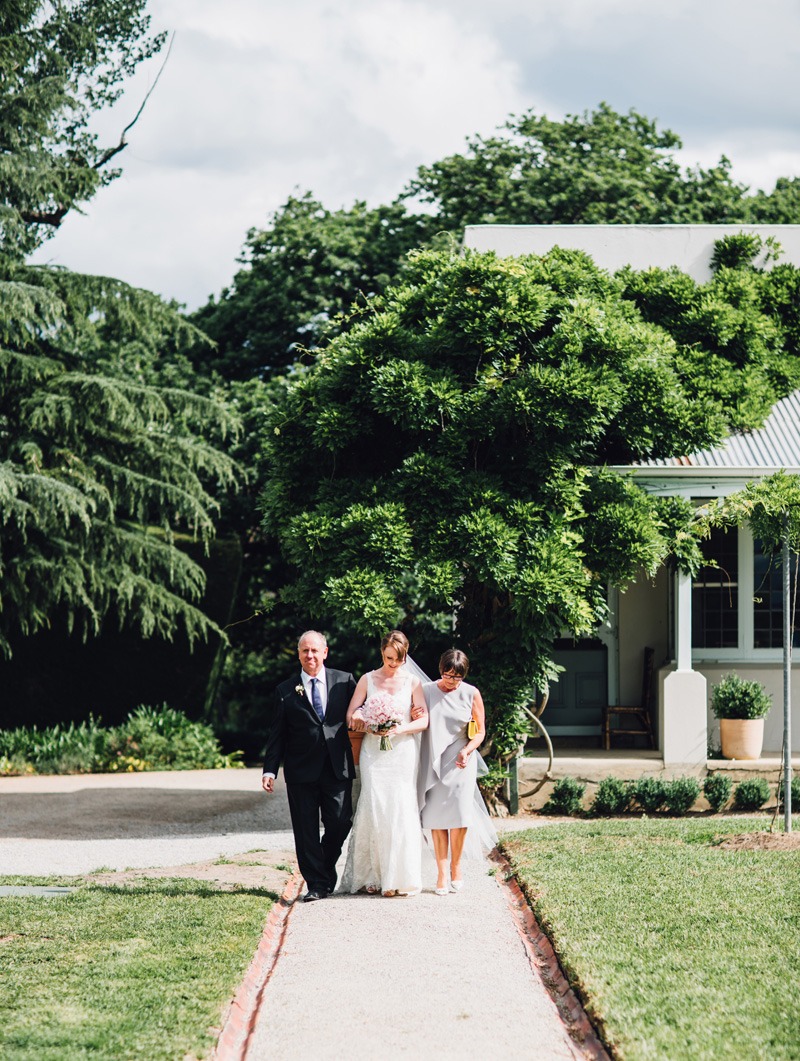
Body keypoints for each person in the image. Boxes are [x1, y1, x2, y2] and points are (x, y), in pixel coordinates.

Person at [262, 630, 356, 903]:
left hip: (337, 766)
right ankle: (316, 883)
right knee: (306, 831)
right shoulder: (285, 690)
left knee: (340, 822)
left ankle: (324, 868)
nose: (310, 655)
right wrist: (270, 770)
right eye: (305, 651)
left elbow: (360, 710)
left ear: (325, 652)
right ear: (299, 654)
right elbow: (276, 734)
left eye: (315, 650)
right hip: (301, 770)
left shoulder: (344, 681)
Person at [340, 630, 429, 897]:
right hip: (373, 753)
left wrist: (398, 729)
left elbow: (423, 720)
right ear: (382, 652)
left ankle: (398, 876)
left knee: (400, 807)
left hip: (401, 752)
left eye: (398, 660)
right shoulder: (368, 680)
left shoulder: (412, 682)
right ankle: (371, 876)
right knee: (373, 803)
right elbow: (351, 714)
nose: (393, 664)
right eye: (389, 658)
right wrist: (369, 722)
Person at [417, 648, 497, 895]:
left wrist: (468, 749)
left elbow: (480, 731)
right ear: (440, 670)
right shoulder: (426, 691)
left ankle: (456, 867)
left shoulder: (471, 693)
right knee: (436, 817)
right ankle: (441, 873)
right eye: (447, 675)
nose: (451, 681)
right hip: (433, 759)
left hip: (461, 760)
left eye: (457, 677)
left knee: (459, 816)